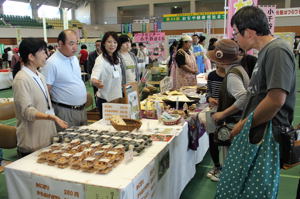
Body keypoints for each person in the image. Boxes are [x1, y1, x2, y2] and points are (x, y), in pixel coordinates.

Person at [215, 6, 296, 198]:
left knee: (256, 191)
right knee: (241, 186)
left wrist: (242, 125)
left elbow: (276, 100)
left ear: (250, 32)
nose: (236, 38)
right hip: (257, 133)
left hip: (266, 135)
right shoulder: (266, 52)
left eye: (236, 33)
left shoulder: (277, 51)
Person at [13, 38, 68, 157]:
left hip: (47, 137)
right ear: (31, 57)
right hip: (32, 141)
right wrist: (51, 117)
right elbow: (27, 111)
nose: (47, 55)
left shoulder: (40, 76)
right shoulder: (21, 79)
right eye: (43, 52)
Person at [208, 39, 250, 181]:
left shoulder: (232, 75)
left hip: (233, 123)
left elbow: (243, 98)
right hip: (238, 122)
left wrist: (223, 113)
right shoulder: (239, 70)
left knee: (230, 165)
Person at [42, 29, 87, 131]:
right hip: (64, 111)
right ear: (60, 44)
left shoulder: (74, 59)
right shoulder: (51, 63)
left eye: (77, 43)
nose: (75, 48)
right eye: (71, 44)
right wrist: (51, 113)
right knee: (67, 144)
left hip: (82, 109)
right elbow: (45, 92)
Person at [91, 31, 122, 119]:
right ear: (104, 43)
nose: (112, 45)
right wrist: (95, 81)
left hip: (117, 99)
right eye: (109, 42)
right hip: (106, 101)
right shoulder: (100, 60)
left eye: (115, 42)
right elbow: (94, 76)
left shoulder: (117, 59)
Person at [203, 65, 225, 181]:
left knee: (227, 141)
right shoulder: (211, 75)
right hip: (213, 111)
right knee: (212, 140)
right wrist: (209, 98)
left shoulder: (232, 75)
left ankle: (227, 169)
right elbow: (208, 92)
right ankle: (217, 166)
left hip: (228, 112)